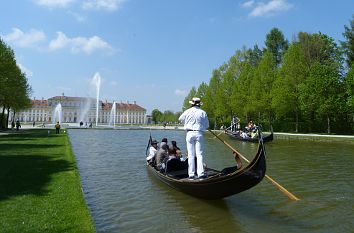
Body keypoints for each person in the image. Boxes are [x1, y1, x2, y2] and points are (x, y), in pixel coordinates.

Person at [178, 97, 209, 179]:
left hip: (189, 133)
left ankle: (191, 174)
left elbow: (180, 119)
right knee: (199, 154)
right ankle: (200, 174)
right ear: (199, 104)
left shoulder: (187, 111)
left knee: (191, 155)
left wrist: (186, 122)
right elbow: (207, 126)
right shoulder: (203, 112)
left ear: (191, 103)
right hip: (199, 133)